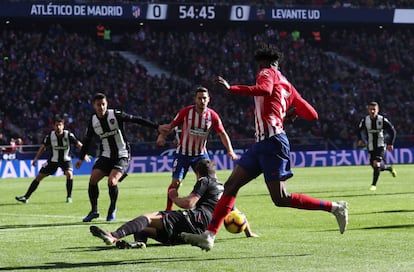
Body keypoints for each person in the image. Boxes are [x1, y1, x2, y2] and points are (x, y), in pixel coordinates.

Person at [181, 43, 349, 251]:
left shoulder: (266, 72)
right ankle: (209, 235)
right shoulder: (288, 86)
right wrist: (290, 112)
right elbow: (312, 115)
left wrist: (232, 88)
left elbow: (265, 89)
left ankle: (335, 207)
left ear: (265, 64)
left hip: (273, 143)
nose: (258, 72)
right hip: (263, 144)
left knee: (280, 198)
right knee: (231, 185)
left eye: (259, 67)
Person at [89, 159, 258, 249]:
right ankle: (138, 244)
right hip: (197, 233)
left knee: (147, 217)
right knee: (141, 228)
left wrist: (174, 196)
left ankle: (114, 235)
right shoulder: (224, 188)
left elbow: (189, 204)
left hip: (194, 220)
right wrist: (249, 233)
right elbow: (238, 213)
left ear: (197, 173)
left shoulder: (205, 180)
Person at [75, 92, 165, 222]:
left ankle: (112, 208)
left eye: (103, 104)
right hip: (106, 155)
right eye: (98, 105)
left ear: (107, 104)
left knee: (112, 181)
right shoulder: (93, 121)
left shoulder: (115, 115)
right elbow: (87, 140)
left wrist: (157, 127)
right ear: (94, 106)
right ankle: (94, 211)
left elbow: (137, 120)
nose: (101, 107)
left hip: (122, 154)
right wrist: (81, 158)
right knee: (93, 179)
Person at [156, 86, 238, 211]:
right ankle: (168, 210)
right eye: (200, 98)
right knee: (176, 182)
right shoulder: (186, 112)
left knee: (212, 182)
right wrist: (162, 136)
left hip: (200, 155)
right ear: (195, 99)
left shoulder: (213, 116)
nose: (202, 101)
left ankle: (223, 209)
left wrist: (230, 150)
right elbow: (170, 126)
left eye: (204, 98)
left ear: (209, 99)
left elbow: (222, 133)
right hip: (182, 154)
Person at [15, 115, 87, 203]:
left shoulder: (68, 135)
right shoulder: (50, 136)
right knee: (38, 177)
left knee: (69, 174)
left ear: (63, 126)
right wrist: (36, 158)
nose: (58, 127)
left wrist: (84, 154)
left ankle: (69, 197)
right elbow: (42, 147)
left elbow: (78, 144)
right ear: (54, 126)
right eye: (57, 125)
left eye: (60, 125)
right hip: (53, 161)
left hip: (65, 160)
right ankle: (26, 197)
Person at [357, 101, 397, 191]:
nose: (372, 111)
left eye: (374, 109)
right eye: (371, 109)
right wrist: (360, 139)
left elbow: (392, 131)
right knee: (377, 166)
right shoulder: (365, 120)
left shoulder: (382, 119)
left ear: (378, 110)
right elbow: (359, 130)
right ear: (368, 110)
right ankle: (389, 168)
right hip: (370, 146)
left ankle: (373, 185)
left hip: (381, 145)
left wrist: (390, 143)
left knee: (376, 163)